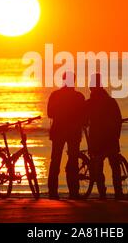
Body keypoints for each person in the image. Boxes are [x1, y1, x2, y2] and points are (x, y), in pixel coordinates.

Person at [85, 73, 124, 199]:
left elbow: (84, 120)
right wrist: (117, 136)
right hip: (111, 138)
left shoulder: (89, 103)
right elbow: (118, 119)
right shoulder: (111, 101)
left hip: (97, 139)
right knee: (114, 165)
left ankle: (102, 193)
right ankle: (118, 192)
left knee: (98, 166)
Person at [47, 71, 85, 199]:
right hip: (73, 132)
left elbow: (50, 113)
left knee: (55, 161)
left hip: (58, 131)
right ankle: (73, 192)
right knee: (73, 162)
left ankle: (53, 192)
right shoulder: (79, 96)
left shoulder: (55, 95)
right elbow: (83, 116)